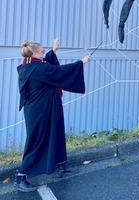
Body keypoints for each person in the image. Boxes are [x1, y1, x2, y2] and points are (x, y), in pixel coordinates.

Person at [16, 38, 90, 192]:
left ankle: (60, 165)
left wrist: (53, 50)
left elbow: (46, 65)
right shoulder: (39, 69)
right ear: (35, 53)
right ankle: (20, 177)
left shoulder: (27, 65)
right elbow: (57, 72)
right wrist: (81, 63)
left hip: (42, 108)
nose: (44, 53)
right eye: (42, 51)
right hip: (41, 110)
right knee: (36, 140)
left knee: (54, 134)